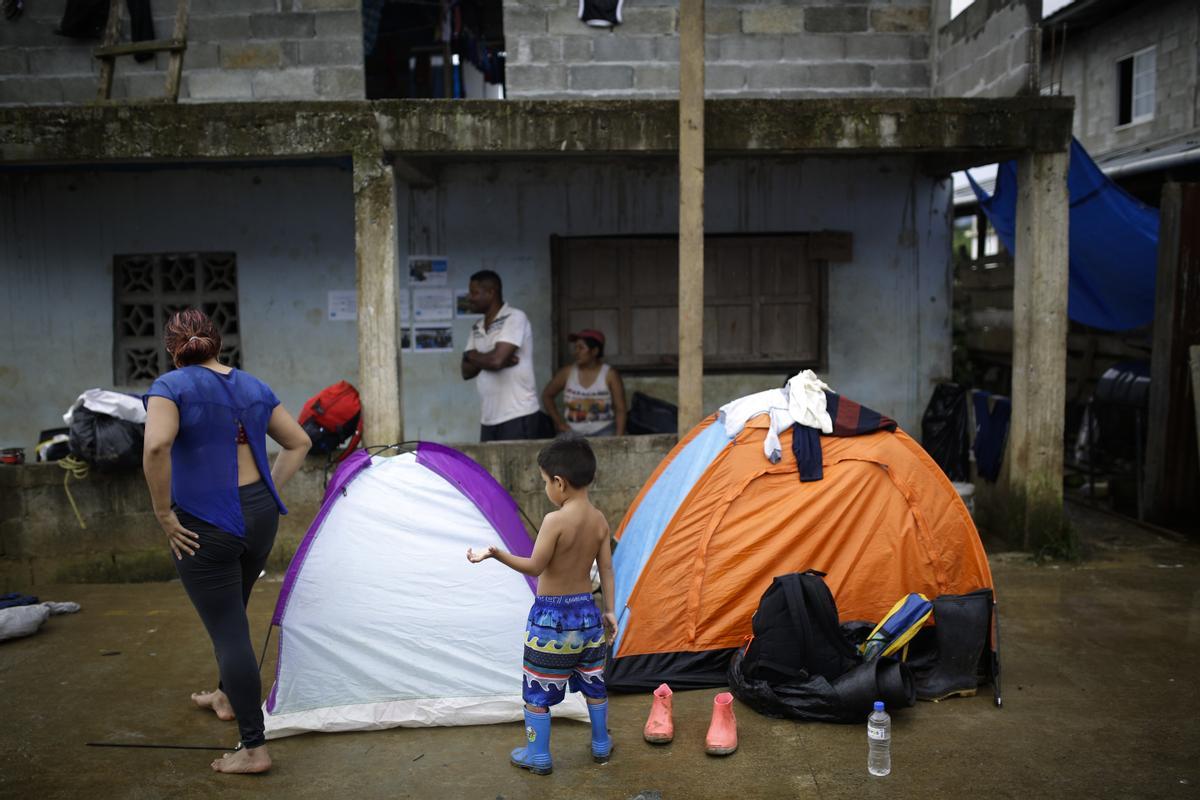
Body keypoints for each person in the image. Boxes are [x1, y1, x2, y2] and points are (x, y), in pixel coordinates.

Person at [142, 309, 311, 774]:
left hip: (204, 522)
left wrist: (161, 513)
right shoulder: (253, 386)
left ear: (173, 351)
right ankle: (225, 694)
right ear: (218, 344)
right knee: (232, 611)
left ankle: (254, 747)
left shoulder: (170, 388)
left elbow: (157, 446)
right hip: (258, 516)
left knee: (228, 630)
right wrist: (269, 489)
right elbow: (299, 442)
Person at [466, 437, 616, 775]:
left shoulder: (554, 521)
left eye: (545, 481)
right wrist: (609, 610)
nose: (546, 487)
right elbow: (606, 568)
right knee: (594, 683)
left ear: (559, 483)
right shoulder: (600, 521)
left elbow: (534, 566)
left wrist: (496, 554)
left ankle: (538, 755)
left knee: (537, 692)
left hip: (551, 622)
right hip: (588, 618)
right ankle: (601, 742)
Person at [460, 270, 541, 441]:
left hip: (518, 415)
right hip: (488, 418)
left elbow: (496, 361)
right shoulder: (477, 327)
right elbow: (466, 372)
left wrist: (474, 356)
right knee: (487, 469)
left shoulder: (515, 317)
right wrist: (490, 358)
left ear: (491, 292)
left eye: (474, 292)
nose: (469, 297)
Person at [541, 329, 626, 437]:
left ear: (595, 351)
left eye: (581, 348)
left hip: (604, 430)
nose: (576, 352)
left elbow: (620, 409)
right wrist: (559, 423)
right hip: (572, 431)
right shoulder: (567, 373)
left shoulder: (610, 375)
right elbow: (547, 395)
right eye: (575, 348)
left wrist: (618, 439)